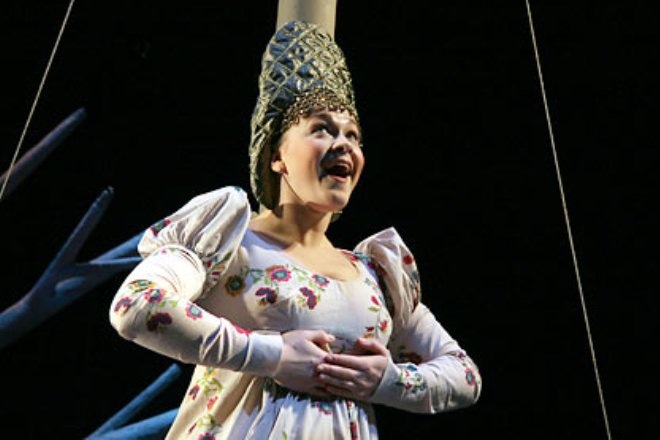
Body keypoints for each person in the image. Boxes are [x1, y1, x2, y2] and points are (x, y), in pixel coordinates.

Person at [109, 18, 481, 440]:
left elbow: (464, 375)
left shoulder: (375, 275)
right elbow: (136, 304)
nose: (344, 144)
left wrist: (387, 380)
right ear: (276, 156)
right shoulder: (227, 239)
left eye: (353, 135)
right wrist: (272, 355)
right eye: (321, 129)